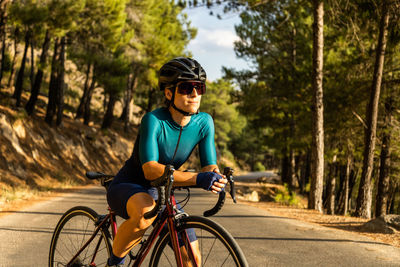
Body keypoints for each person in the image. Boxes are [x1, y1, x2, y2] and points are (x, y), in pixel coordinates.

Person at [106, 57, 227, 266]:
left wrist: (215, 175)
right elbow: (150, 170)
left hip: (163, 191)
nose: (195, 94)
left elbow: (209, 164)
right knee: (145, 212)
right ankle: (114, 263)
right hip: (130, 185)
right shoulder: (154, 120)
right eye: (187, 87)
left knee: (192, 259)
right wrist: (198, 178)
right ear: (169, 93)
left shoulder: (204, 122)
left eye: (199, 87)